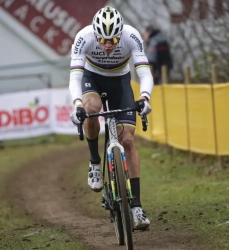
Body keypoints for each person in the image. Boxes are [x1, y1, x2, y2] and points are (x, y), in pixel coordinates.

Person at [69, 6, 153, 230]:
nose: (108, 45)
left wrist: (145, 98)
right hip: (92, 79)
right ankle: (95, 162)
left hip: (120, 82)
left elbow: (144, 72)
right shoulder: (83, 38)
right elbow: (75, 78)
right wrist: (77, 104)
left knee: (128, 140)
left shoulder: (131, 36)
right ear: (95, 34)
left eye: (114, 39)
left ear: (121, 34)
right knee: (91, 108)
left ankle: (136, 206)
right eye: (103, 39)